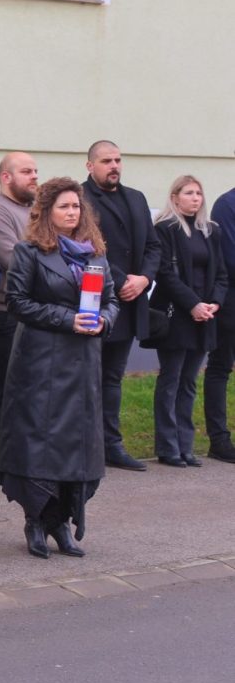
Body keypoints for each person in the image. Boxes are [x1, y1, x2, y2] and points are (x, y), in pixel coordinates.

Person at [0, 177, 117, 559]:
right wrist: (69, 319)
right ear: (48, 212)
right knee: (41, 443)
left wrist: (104, 321)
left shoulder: (95, 253)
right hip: (41, 363)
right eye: (64, 207)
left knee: (76, 445)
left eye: (76, 206)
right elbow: (16, 302)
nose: (72, 212)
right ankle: (36, 519)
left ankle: (62, 521)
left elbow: (111, 300)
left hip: (83, 364)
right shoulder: (30, 251)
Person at [83, 140, 161, 471]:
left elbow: (153, 246)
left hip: (131, 302)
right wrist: (120, 280)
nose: (113, 165)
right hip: (96, 301)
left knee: (113, 377)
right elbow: (87, 244)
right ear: (90, 166)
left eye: (117, 160)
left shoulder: (136, 198)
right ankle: (86, 445)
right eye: (105, 161)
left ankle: (111, 444)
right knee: (88, 378)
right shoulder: (81, 199)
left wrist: (143, 278)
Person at [144, 176, 227, 467]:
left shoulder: (210, 231)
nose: (196, 198)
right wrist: (192, 304)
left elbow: (221, 273)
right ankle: (168, 447)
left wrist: (213, 302)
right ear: (175, 197)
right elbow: (165, 274)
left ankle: (185, 445)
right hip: (176, 315)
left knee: (190, 381)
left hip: (205, 316)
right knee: (171, 379)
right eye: (189, 193)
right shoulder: (165, 229)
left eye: (199, 193)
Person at [0, 152, 39, 478]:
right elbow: (13, 258)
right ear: (6, 177)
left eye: (35, 171)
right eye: (26, 171)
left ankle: (20, 453)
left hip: (35, 313)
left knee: (27, 388)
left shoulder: (36, 212)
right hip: (4, 313)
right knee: (1, 387)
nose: (34, 176)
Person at [204, 182, 235, 463]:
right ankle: (219, 439)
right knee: (220, 367)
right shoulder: (227, 205)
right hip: (230, 303)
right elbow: (229, 256)